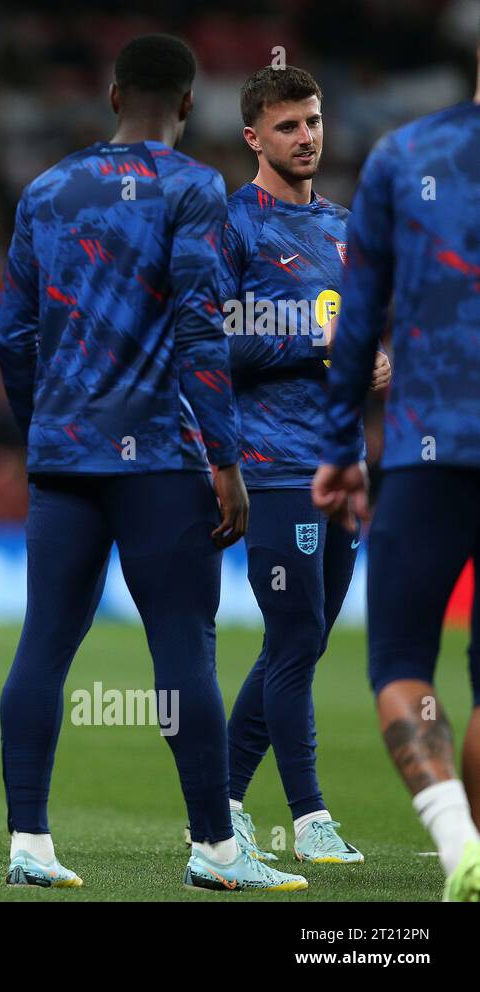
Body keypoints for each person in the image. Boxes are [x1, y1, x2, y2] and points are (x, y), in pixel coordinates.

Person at [0, 34, 306, 892]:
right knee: (182, 652)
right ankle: (214, 848)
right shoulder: (194, 188)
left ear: (111, 97)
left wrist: (47, 424)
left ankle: (28, 842)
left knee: (43, 647)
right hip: (162, 461)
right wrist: (227, 459)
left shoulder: (47, 190)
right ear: (189, 105)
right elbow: (203, 328)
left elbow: (13, 335)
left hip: (66, 458)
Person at [313, 39, 480, 903]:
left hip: (429, 451)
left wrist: (342, 447)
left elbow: (356, 325)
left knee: (402, 663)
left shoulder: (403, 156)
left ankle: (460, 844)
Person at [219, 65, 389, 867]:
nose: (307, 136)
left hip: (340, 467)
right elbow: (212, 346)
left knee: (307, 640)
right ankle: (310, 817)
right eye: (288, 126)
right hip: (272, 468)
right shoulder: (231, 228)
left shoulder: (346, 228)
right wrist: (314, 343)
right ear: (255, 137)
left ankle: (219, 802)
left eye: (313, 120)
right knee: (293, 641)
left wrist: (374, 360)